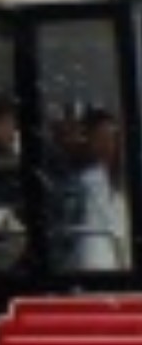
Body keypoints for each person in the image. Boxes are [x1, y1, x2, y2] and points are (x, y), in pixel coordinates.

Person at [59, 108, 128, 272]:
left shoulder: (126, 180)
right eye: (99, 138)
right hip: (99, 270)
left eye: (111, 138)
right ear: (88, 141)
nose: (106, 144)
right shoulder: (79, 184)